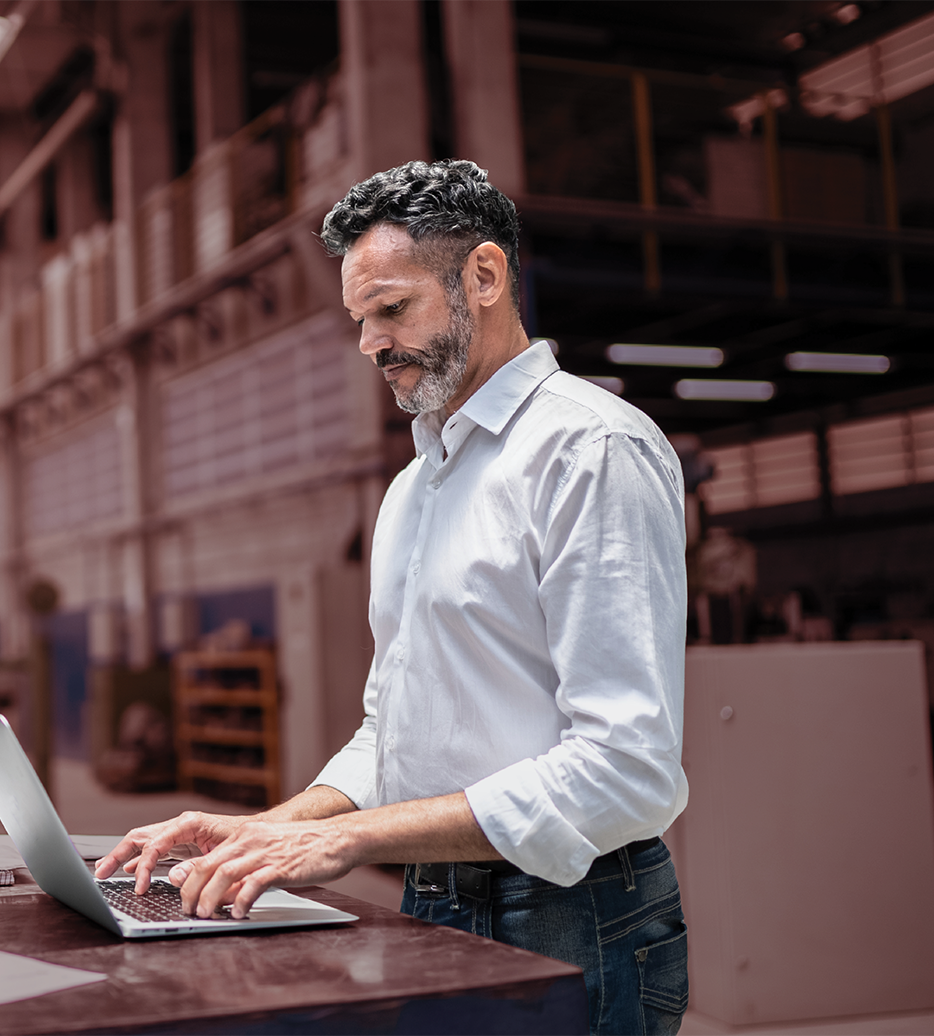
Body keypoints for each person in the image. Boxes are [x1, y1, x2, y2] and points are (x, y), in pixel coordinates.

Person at [96, 160, 690, 1035]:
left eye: (392, 309)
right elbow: (393, 733)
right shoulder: (418, 486)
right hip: (434, 890)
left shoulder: (590, 451)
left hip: (572, 912)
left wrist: (347, 840)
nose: (370, 344)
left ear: (482, 277)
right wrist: (268, 829)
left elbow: (624, 768)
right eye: (360, 320)